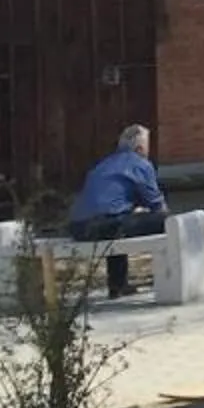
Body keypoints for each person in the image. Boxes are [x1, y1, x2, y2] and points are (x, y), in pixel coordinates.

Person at [67, 124, 167, 298]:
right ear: (140, 148)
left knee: (118, 221)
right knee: (167, 221)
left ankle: (118, 285)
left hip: (78, 228)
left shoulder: (102, 165)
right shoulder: (140, 164)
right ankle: (169, 278)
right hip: (104, 225)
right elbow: (156, 204)